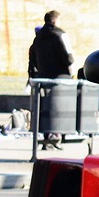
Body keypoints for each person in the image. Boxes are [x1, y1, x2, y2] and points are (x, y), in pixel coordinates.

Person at [28, 10, 74, 149]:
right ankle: (56, 135)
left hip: (43, 77)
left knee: (45, 107)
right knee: (59, 107)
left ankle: (46, 136)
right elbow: (69, 58)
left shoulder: (38, 38)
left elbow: (33, 58)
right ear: (55, 20)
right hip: (61, 77)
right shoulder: (60, 35)